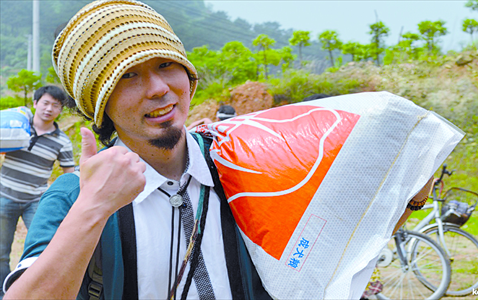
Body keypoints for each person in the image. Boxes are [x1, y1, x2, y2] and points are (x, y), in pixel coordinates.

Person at [2, 1, 431, 299]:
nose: (158, 89)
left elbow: (335, 245)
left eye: (166, 65)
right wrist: (93, 209)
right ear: (100, 105)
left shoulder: (244, 160)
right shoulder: (75, 198)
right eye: (128, 76)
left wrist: (409, 194)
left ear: (189, 77)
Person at [0, 85, 75, 298]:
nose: (49, 108)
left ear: (60, 110)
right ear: (35, 104)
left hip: (37, 202)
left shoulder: (63, 141)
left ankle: (30, 291)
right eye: (45, 102)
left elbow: (69, 174)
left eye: (55, 105)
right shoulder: (16, 128)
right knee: (1, 253)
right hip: (5, 197)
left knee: (42, 251)